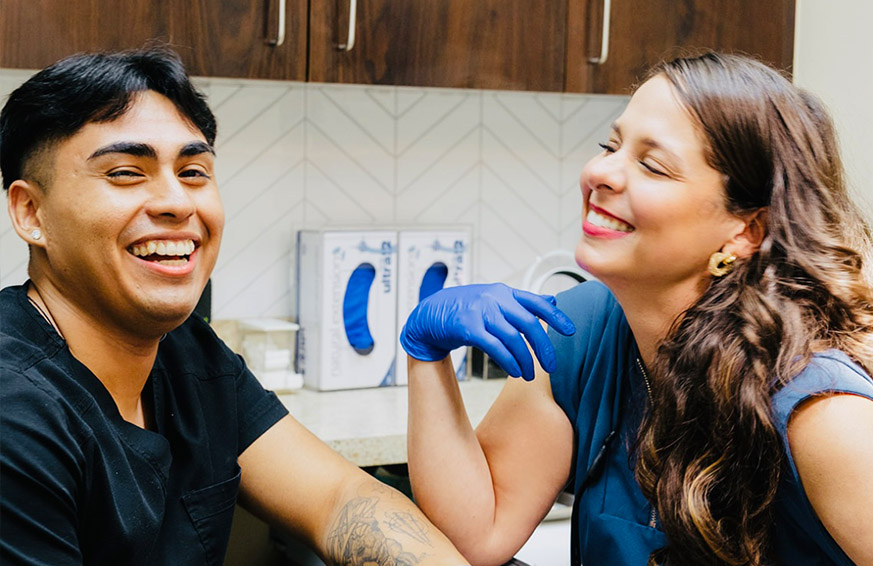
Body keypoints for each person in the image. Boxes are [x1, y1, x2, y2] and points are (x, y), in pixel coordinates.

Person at [0, 48, 470, 566]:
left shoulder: (187, 352)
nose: (177, 203)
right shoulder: (16, 412)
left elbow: (341, 501)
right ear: (30, 212)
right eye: (126, 172)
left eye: (194, 171)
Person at [400, 52, 873, 566]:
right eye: (611, 145)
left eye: (652, 165)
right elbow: (479, 535)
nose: (601, 173)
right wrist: (425, 355)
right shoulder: (575, 330)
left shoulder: (823, 412)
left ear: (745, 231)